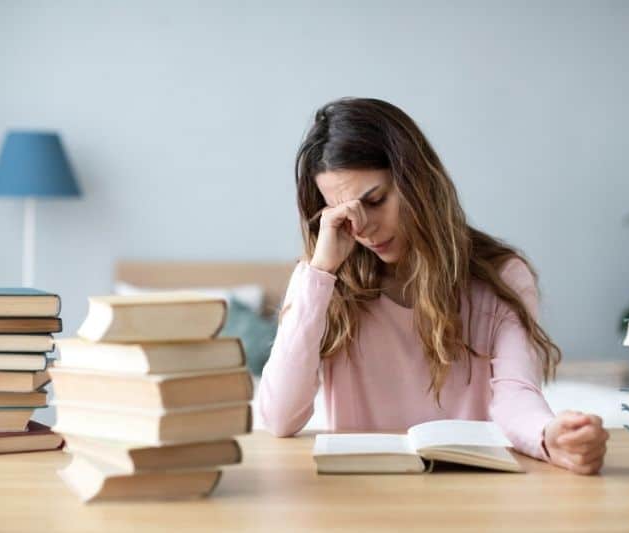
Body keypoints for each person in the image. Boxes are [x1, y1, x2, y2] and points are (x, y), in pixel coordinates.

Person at [257, 97, 608, 474]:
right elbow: (279, 418)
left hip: (470, 492)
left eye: (374, 201)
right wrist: (320, 272)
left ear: (417, 181)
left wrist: (548, 434)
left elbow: (514, 395)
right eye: (342, 216)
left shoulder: (502, 276)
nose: (361, 229)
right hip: (358, 495)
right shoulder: (323, 283)